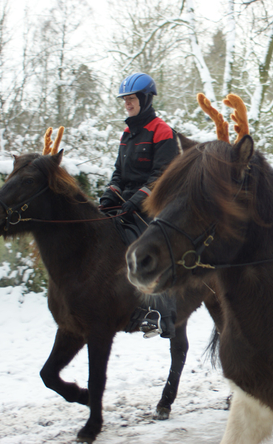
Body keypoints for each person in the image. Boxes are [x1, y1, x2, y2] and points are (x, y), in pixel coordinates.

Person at [99, 73, 179, 339]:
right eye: (125, 99)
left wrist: (136, 200)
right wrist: (110, 195)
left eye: (131, 99)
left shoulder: (162, 131)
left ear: (144, 99)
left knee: (141, 243)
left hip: (152, 204)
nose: (127, 104)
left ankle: (160, 315)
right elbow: (118, 172)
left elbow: (162, 176)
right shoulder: (127, 133)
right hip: (126, 203)